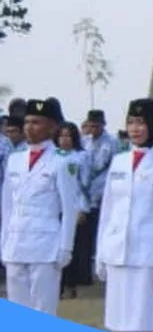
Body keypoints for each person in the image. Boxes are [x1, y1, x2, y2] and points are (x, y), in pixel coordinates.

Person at [95, 99, 153, 332]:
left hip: (148, 256)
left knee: (148, 325)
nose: (135, 128)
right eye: (131, 122)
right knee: (119, 324)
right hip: (117, 253)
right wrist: (101, 252)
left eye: (141, 123)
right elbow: (108, 209)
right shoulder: (119, 161)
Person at [1, 98, 80, 314]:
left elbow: (69, 208)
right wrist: (3, 241)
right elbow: (7, 204)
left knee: (43, 309)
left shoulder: (62, 161)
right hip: (16, 241)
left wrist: (66, 247)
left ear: (52, 126)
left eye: (36, 122)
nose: (29, 127)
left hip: (45, 243)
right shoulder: (15, 159)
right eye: (27, 122)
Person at [56, 122, 94, 298]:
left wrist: (82, 209)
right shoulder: (52, 155)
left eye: (68, 136)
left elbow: (85, 185)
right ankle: (57, 285)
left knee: (72, 246)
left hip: (75, 204)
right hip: (54, 206)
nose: (65, 139)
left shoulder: (82, 157)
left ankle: (71, 284)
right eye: (62, 135)